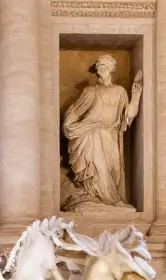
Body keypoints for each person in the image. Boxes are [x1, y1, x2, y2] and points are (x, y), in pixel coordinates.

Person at [61, 54, 143, 209]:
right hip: (90, 133)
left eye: (104, 67)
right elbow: (76, 111)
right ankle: (94, 197)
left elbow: (128, 115)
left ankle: (109, 198)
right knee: (95, 165)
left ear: (111, 69)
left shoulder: (120, 92)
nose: (100, 70)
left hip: (110, 135)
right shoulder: (90, 91)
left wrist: (136, 96)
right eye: (99, 67)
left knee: (111, 170)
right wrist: (68, 123)